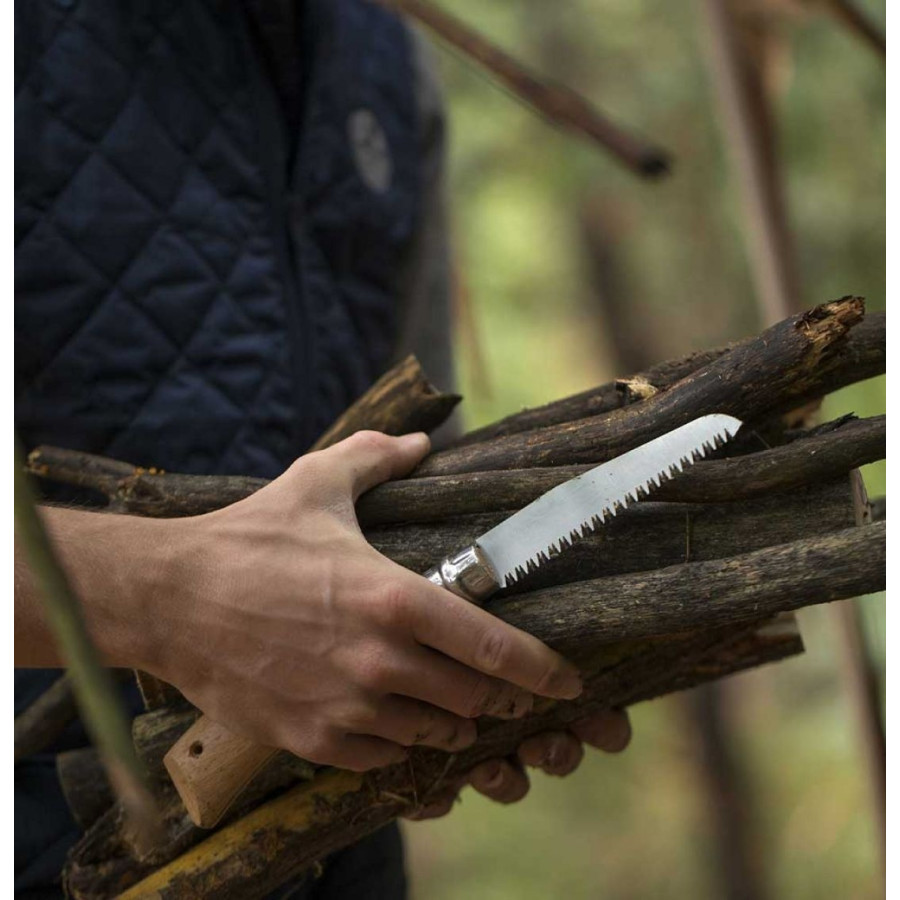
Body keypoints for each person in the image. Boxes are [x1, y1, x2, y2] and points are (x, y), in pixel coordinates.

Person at [14, 1, 631, 897]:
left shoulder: (383, 59)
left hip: (332, 853)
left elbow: (410, 464)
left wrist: (445, 679)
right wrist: (171, 595)